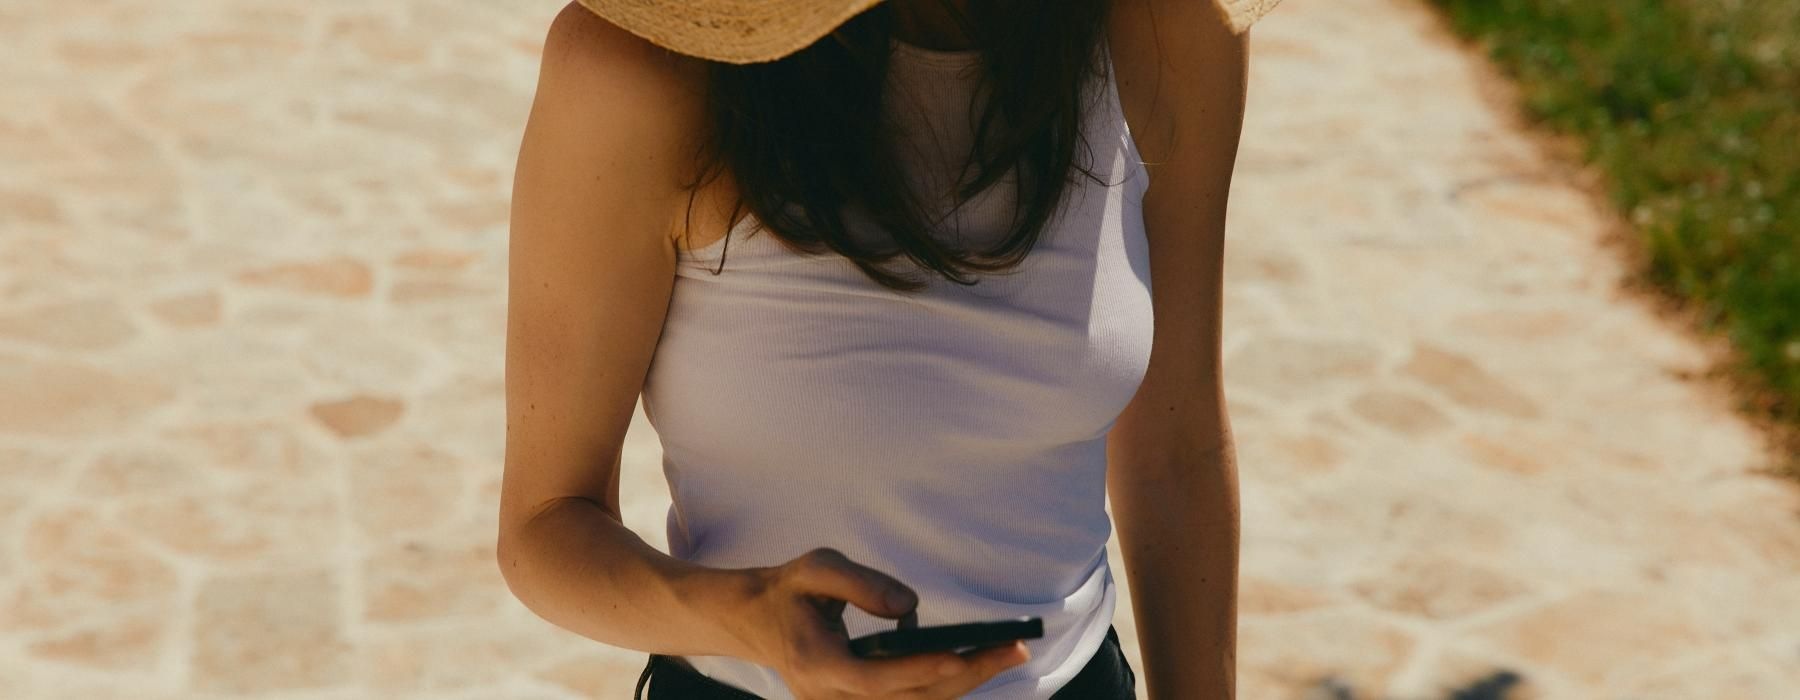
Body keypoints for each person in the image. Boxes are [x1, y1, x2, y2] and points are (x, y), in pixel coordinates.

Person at [496, 0, 1262, 697]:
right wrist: (748, 618)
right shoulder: (640, 70)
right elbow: (545, 525)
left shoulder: (1168, 30)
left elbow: (1176, 444)